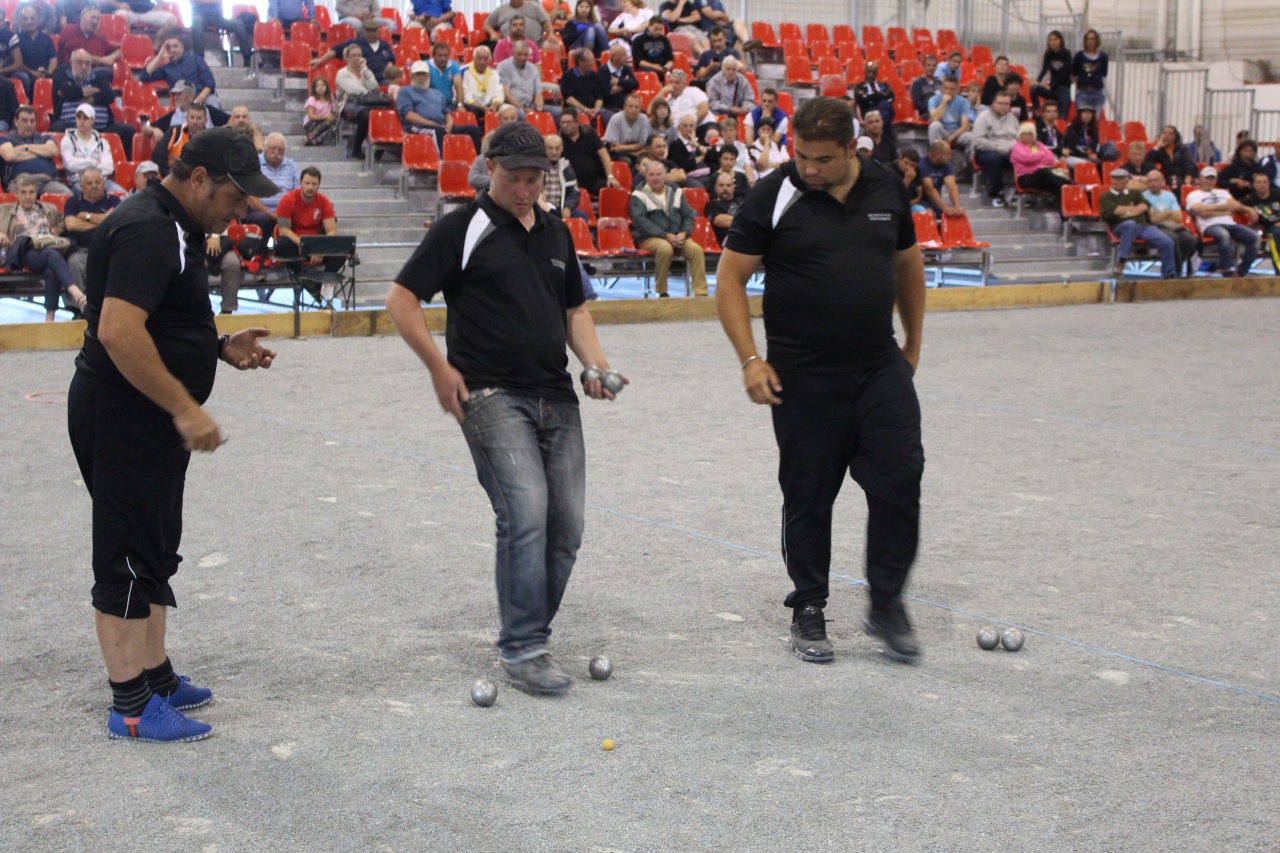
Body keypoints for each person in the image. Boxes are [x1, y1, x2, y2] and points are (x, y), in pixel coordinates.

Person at [385, 121, 621, 695]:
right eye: (514, 177)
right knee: (525, 511)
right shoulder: (461, 227)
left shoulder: (557, 232)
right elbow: (401, 299)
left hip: (556, 394)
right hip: (488, 393)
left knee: (567, 526)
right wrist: (438, 367)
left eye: (534, 179)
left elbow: (575, 312)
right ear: (489, 168)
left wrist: (594, 365)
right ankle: (524, 648)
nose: (524, 189)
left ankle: (527, 627)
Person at [66, 127, 277, 743]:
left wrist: (215, 346)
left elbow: (159, 322)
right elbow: (118, 331)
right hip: (125, 412)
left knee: (155, 546)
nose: (243, 210)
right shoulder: (148, 229)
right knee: (128, 552)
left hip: (146, 413)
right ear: (199, 178)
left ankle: (155, 675)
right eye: (235, 196)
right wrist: (185, 407)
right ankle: (131, 706)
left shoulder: (175, 225)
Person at [714, 95, 926, 666]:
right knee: (808, 494)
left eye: (822, 159)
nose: (808, 168)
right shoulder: (774, 194)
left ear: (852, 148)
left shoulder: (886, 187)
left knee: (900, 479)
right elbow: (730, 280)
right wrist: (750, 359)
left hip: (878, 366)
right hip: (802, 374)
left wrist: (912, 342)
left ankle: (887, 604)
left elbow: (908, 263)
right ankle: (808, 603)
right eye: (800, 155)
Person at [0, 172, 80, 320]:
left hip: (46, 250)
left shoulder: (49, 208)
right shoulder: (4, 210)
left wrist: (58, 228)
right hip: (22, 253)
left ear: (36, 193)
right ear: (16, 194)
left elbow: (64, 222)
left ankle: (49, 319)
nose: (28, 196)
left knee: (51, 269)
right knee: (51, 255)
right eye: (23, 192)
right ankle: (77, 294)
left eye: (31, 192)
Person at [630, 158, 705, 295]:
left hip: (677, 236)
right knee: (665, 249)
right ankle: (661, 291)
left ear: (665, 176)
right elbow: (641, 221)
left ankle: (701, 293)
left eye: (658, 174)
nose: (655, 178)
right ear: (645, 176)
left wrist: (684, 233)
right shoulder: (638, 195)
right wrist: (665, 235)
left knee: (696, 250)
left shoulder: (676, 191)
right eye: (651, 175)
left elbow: (688, 215)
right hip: (650, 238)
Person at [50, 48, 137, 155]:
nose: (84, 67)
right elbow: (66, 91)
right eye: (79, 62)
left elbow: (109, 95)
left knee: (129, 130)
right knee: (56, 128)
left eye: (87, 63)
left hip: (102, 128)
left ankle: (121, 164)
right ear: (71, 63)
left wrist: (77, 95)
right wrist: (95, 90)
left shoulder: (99, 77)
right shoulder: (61, 75)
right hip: (70, 126)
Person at [1099, 167, 1176, 278]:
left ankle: (1168, 275)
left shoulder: (1134, 193)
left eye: (1121, 179)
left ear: (1126, 181)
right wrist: (1135, 209)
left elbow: (1145, 206)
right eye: (1115, 179)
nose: (1118, 181)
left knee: (1167, 242)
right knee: (1130, 224)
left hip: (1142, 226)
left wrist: (1127, 212)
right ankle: (1122, 259)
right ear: (1111, 180)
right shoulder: (1105, 196)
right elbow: (1114, 210)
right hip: (1120, 227)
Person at [1186, 166, 1259, 277]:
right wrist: (1226, 210)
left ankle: (1241, 272)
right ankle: (1226, 270)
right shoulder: (1193, 195)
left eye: (1212, 178)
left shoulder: (1223, 192)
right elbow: (1202, 212)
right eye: (1207, 178)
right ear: (1200, 179)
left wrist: (1249, 209)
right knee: (1224, 235)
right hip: (1210, 225)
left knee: (1255, 237)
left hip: (1230, 224)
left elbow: (1235, 205)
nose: (1210, 181)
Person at [274, 165, 344, 275]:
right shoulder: (287, 200)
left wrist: (321, 249)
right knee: (281, 243)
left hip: (317, 244)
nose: (310, 187)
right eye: (307, 183)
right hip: (296, 244)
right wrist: (306, 246)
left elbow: (332, 231)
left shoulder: (324, 201)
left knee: (341, 249)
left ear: (318, 185)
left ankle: (324, 281)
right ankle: (303, 276)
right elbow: (284, 230)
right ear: (300, 183)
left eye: (314, 184)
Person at [400, 60, 482, 151]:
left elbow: (447, 112)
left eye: (423, 74)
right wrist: (432, 124)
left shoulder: (437, 93)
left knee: (473, 130)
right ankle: (442, 159)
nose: (421, 78)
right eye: (418, 75)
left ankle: (477, 158)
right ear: (411, 76)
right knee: (438, 131)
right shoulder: (405, 91)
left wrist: (449, 124)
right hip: (417, 126)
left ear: (428, 76)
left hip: (441, 126)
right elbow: (409, 115)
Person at [63, 165, 120, 286]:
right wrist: (104, 220)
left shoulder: (115, 201)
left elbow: (115, 222)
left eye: (97, 182)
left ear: (103, 183)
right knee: (73, 262)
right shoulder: (72, 202)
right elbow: (71, 225)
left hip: (108, 251)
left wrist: (85, 216)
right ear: (81, 186)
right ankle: (77, 299)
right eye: (89, 183)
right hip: (82, 251)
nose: (94, 186)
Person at [0, 105, 73, 195]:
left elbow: (54, 151)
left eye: (32, 121)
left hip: (47, 182)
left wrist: (25, 147)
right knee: (22, 198)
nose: (29, 125)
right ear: (16, 122)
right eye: (24, 121)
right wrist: (41, 153)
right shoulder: (6, 139)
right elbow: (9, 156)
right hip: (20, 182)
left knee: (67, 194)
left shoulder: (44, 137)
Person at [335, 44, 388, 160]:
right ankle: (357, 149)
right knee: (366, 115)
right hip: (348, 102)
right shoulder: (342, 73)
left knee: (384, 113)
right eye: (353, 56)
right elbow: (353, 90)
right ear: (347, 58)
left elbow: (374, 86)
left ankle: (380, 145)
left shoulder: (365, 71)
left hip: (367, 102)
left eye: (359, 55)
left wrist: (364, 69)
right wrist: (368, 93)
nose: (357, 58)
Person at [1141, 169, 1197, 277]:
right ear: (1147, 183)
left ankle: (1176, 268)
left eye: (1156, 180)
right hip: (1153, 227)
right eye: (1150, 181)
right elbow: (1153, 219)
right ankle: (1175, 272)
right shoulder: (1143, 196)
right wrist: (1169, 213)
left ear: (1162, 182)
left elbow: (1178, 217)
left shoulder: (1169, 196)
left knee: (1190, 239)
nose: (1153, 183)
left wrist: (1160, 214)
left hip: (1172, 226)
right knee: (1173, 238)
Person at [245, 132, 299, 240]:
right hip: (259, 211)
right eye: (273, 148)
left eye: (280, 149)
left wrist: (284, 214)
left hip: (286, 212)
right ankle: (262, 250)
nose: (276, 152)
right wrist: (272, 215)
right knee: (263, 219)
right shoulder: (253, 164)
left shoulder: (292, 166)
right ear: (265, 147)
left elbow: (298, 194)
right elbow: (250, 198)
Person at [60, 103, 126, 192]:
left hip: (102, 181)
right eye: (79, 117)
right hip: (79, 182)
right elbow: (70, 164)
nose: (81, 121)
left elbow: (108, 167)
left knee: (123, 195)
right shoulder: (68, 140)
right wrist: (94, 163)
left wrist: (85, 169)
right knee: (87, 193)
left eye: (85, 118)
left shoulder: (102, 142)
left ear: (93, 120)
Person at [141, 35, 219, 110]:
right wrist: (159, 56)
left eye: (175, 46)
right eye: (168, 47)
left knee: (213, 104)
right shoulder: (165, 68)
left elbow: (209, 83)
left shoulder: (196, 59)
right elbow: (144, 77)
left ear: (182, 48)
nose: (172, 50)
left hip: (203, 97)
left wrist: (199, 99)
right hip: (183, 102)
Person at [972, 91, 1020, 207]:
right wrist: (997, 147)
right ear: (993, 103)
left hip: (1009, 151)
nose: (1003, 107)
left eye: (1006, 104)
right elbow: (978, 141)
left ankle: (1019, 193)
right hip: (986, 151)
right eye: (1000, 103)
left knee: (1023, 157)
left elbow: (1019, 138)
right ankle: (997, 193)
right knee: (995, 158)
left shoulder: (1013, 119)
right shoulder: (983, 118)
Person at [311, 19, 396, 84]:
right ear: (363, 31)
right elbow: (336, 50)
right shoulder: (354, 43)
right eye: (368, 31)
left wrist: (389, 69)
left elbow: (390, 60)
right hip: (361, 79)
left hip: (382, 80)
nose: (371, 34)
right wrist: (320, 60)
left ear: (378, 31)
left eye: (373, 31)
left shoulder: (385, 45)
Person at [558, 106, 620, 194]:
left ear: (576, 122)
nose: (565, 125)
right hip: (574, 182)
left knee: (611, 189)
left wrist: (610, 177)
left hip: (595, 179)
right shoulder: (559, 139)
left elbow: (604, 154)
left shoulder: (589, 133)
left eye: (568, 122)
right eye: (562, 122)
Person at [1010, 120, 1069, 201]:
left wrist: (1035, 160)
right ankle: (1067, 183)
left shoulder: (1038, 144)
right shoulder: (1016, 147)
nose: (1027, 136)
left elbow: (1050, 158)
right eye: (1024, 134)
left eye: (1030, 134)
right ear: (1020, 135)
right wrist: (1041, 155)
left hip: (1041, 176)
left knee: (1056, 187)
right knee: (1042, 172)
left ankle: (1066, 206)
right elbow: (1026, 158)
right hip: (1025, 177)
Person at [468, 103, 520, 190]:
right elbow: (473, 179)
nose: (509, 122)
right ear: (499, 119)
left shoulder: (523, 140)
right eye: (506, 119)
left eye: (513, 118)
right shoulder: (489, 140)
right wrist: (498, 181)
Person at [189, 0, 255, 68]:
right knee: (196, 23)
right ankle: (199, 59)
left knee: (238, 24)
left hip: (217, 18)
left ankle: (247, 57)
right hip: (200, 16)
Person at [498, 42, 553, 121]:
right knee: (521, 114)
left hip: (530, 104)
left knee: (557, 112)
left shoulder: (533, 68)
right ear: (513, 53)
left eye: (525, 55)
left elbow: (538, 93)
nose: (522, 57)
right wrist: (524, 109)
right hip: (512, 105)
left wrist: (539, 109)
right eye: (519, 55)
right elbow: (506, 94)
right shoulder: (504, 66)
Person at [152, 103, 207, 176]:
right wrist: (170, 176)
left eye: (199, 118)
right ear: (187, 118)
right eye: (192, 117)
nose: (195, 122)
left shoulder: (210, 139)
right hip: (171, 176)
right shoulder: (174, 132)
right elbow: (158, 156)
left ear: (205, 120)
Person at [559, 48, 609, 125]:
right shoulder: (567, 76)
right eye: (589, 60)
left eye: (592, 60)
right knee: (578, 115)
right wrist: (585, 109)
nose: (592, 63)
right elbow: (568, 98)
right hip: (576, 108)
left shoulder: (594, 76)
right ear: (580, 62)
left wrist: (596, 109)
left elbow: (599, 97)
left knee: (609, 114)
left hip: (593, 109)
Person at [1242, 172, 1280, 272]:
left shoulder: (1277, 194)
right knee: (1277, 233)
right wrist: (1250, 210)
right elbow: (1236, 205)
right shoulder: (1251, 199)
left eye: (1264, 182)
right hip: (1268, 229)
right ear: (1254, 185)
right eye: (1259, 182)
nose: (1262, 185)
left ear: (1269, 184)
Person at [15, 5, 56, 99]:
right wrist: (32, 72)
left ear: (37, 20)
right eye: (25, 19)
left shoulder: (46, 38)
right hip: (26, 73)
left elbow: (53, 59)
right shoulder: (15, 39)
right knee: (25, 78)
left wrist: (49, 72)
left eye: (32, 18)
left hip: (45, 73)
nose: (29, 21)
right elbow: (17, 63)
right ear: (20, 21)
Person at [542, 132, 584, 219]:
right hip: (542, 207)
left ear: (562, 148)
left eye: (557, 148)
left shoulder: (566, 167)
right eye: (550, 148)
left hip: (560, 208)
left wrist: (567, 207)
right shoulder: (537, 168)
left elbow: (574, 193)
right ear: (544, 148)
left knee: (582, 215)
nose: (554, 152)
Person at [1141, 125, 1197, 190]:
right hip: (1170, 177)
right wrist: (1158, 145)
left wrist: (1188, 179)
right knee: (1174, 180)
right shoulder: (1160, 150)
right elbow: (1147, 160)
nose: (1167, 135)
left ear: (1175, 137)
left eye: (1170, 134)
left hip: (1184, 176)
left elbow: (1189, 163)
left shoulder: (1182, 148)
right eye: (1165, 133)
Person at [1031, 30, 1072, 117]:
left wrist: (1051, 84)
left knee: (1062, 116)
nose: (1053, 42)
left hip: (1063, 89)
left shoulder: (1066, 53)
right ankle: (1036, 111)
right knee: (1033, 88)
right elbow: (1044, 69)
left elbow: (1065, 73)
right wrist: (1038, 81)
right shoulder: (1048, 53)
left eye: (1055, 39)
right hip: (1052, 89)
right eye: (1050, 40)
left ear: (1060, 40)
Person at [927, 75, 972, 152]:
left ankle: (969, 159)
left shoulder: (963, 102)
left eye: (951, 89)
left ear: (957, 90)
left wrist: (951, 138)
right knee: (934, 125)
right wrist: (944, 102)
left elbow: (964, 126)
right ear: (942, 88)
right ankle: (935, 154)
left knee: (970, 137)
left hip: (956, 132)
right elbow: (935, 118)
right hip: (942, 131)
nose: (948, 91)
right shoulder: (933, 100)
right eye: (946, 88)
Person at [919, 139, 963, 216]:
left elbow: (951, 186)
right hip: (920, 201)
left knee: (956, 214)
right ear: (937, 155)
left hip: (935, 202)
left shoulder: (946, 164)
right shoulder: (922, 165)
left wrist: (957, 206)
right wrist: (944, 208)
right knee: (929, 214)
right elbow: (929, 189)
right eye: (947, 154)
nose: (949, 157)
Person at [461, 45, 505, 123]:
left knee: (507, 110)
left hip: (490, 105)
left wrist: (494, 105)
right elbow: (466, 97)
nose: (482, 62)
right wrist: (483, 108)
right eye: (479, 58)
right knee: (473, 110)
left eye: (485, 59)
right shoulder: (464, 71)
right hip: (473, 105)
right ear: (474, 58)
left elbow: (499, 93)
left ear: (489, 60)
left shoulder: (494, 73)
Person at [602, 91, 650, 163]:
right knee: (626, 161)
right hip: (617, 155)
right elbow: (614, 147)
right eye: (630, 106)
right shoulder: (616, 119)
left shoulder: (644, 119)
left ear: (640, 109)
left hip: (634, 153)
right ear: (624, 107)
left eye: (636, 107)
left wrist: (623, 147)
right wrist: (635, 148)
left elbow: (643, 144)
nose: (633, 110)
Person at [484, 0, 553, 49]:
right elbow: (487, 24)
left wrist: (550, 34)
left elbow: (546, 21)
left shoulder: (535, 7)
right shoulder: (501, 9)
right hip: (508, 46)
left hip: (538, 44)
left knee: (553, 46)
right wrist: (492, 33)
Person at [1063, 104, 1114, 168]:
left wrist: (1094, 154)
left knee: (1110, 145)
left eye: (1090, 113)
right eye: (1084, 112)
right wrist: (1088, 155)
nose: (1087, 115)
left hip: (1091, 157)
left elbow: (1096, 145)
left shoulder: (1094, 129)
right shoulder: (1072, 128)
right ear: (1080, 114)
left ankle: (1102, 162)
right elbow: (1072, 148)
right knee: (1084, 163)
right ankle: (1099, 164)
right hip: (1076, 156)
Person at [660, 68, 711, 132]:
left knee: (712, 133)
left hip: (701, 125)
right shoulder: (666, 100)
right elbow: (650, 111)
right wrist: (662, 91)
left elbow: (704, 110)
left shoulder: (694, 91)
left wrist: (688, 124)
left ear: (684, 84)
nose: (673, 85)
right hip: (677, 131)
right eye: (671, 82)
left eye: (677, 82)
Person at [1072, 29, 1107, 113]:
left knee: (1095, 118)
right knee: (1081, 116)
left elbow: (1104, 74)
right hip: (1083, 92)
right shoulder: (1079, 56)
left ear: (1096, 41)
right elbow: (1075, 73)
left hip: (1097, 93)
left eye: (1092, 39)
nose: (1089, 42)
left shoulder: (1103, 57)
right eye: (1087, 39)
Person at [599, 42, 638, 114]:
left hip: (629, 106)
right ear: (614, 57)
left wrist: (619, 82)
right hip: (611, 107)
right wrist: (626, 84)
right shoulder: (603, 70)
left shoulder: (626, 68)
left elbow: (636, 84)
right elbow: (607, 92)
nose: (626, 57)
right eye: (623, 55)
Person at [668, 111, 707, 183]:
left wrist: (695, 144)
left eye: (691, 126)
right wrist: (701, 157)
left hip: (708, 175)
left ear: (695, 127)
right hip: (690, 178)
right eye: (685, 126)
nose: (688, 129)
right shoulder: (675, 145)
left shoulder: (702, 142)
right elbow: (683, 165)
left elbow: (712, 157)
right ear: (679, 128)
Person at [631, 15, 672, 81]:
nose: (658, 32)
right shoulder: (638, 40)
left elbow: (670, 59)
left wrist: (667, 66)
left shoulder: (664, 40)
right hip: (646, 68)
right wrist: (654, 66)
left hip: (662, 68)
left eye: (660, 29)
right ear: (649, 26)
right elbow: (639, 61)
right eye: (656, 29)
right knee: (652, 74)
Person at [703, 168, 738, 243]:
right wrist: (745, 221)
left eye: (728, 185)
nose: (725, 188)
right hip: (727, 240)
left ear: (733, 187)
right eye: (721, 185)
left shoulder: (741, 202)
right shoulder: (711, 205)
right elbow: (718, 220)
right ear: (716, 188)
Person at [303, 76, 339, 147]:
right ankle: (311, 137)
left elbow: (333, 111)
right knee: (328, 122)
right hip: (311, 123)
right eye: (317, 86)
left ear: (326, 87)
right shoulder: (312, 99)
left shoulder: (331, 98)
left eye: (323, 85)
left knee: (333, 125)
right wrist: (325, 116)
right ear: (314, 88)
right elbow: (311, 116)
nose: (320, 88)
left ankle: (311, 140)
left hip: (324, 122)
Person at [909, 54, 940, 119]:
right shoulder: (917, 84)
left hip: (942, 111)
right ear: (923, 66)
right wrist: (934, 107)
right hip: (927, 114)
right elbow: (918, 104)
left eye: (934, 65)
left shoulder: (939, 82)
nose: (931, 68)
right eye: (928, 65)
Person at [896, 148, 926, 212]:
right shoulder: (890, 170)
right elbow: (893, 195)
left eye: (912, 166)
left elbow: (918, 197)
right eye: (906, 163)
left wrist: (908, 204)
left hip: (910, 204)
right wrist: (907, 180)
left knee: (922, 211)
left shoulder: (917, 171)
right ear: (900, 159)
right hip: (894, 205)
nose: (908, 167)